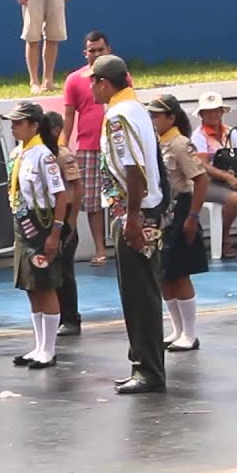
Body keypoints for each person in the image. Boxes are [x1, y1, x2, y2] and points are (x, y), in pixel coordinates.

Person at [92, 55, 166, 395]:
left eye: (94, 81)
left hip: (137, 213)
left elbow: (133, 168)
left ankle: (149, 370)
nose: (91, 87)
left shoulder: (118, 116)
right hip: (140, 209)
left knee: (140, 295)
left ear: (105, 83)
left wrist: (132, 216)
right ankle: (141, 363)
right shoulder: (135, 109)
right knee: (138, 292)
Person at [2, 101, 67, 369]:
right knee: (31, 286)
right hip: (22, 222)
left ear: (34, 125)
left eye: (19, 122)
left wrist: (55, 232)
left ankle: (49, 349)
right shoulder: (19, 153)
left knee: (45, 285)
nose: (13, 127)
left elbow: (60, 195)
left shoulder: (43, 155)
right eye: (12, 123)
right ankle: (38, 345)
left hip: (41, 224)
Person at [146, 94, 209, 354]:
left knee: (180, 272)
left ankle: (190, 333)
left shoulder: (181, 144)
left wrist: (192, 217)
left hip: (181, 209)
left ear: (171, 117)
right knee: (165, 273)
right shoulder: (156, 143)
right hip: (162, 212)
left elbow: (201, 180)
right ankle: (177, 329)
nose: (152, 120)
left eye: (156, 115)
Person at [59, 30, 116, 265]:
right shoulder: (74, 80)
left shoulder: (119, 75)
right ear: (85, 53)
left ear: (108, 50)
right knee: (92, 203)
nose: (96, 54)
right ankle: (100, 249)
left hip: (115, 148)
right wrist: (62, 147)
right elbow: (69, 117)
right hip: (87, 148)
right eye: (92, 51)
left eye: (100, 50)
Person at [191, 92, 237, 258]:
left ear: (222, 112)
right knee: (234, 199)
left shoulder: (232, 132)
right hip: (210, 182)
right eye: (209, 111)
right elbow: (201, 165)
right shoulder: (198, 136)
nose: (214, 114)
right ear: (202, 114)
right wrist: (226, 177)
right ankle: (223, 240)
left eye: (217, 110)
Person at [46, 111, 83, 337]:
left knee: (65, 269)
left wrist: (71, 220)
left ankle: (71, 317)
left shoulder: (63, 155)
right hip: (48, 212)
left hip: (65, 211)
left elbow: (77, 188)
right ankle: (56, 315)